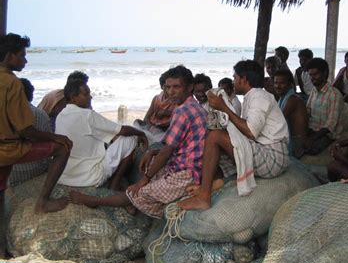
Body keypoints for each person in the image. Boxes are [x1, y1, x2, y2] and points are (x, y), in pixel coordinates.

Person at [70, 65, 208, 218]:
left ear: (189, 87)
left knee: (137, 192)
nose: (170, 91)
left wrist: (144, 179)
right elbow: (178, 145)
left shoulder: (183, 111)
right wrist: (154, 152)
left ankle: (94, 200)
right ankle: (138, 196)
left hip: (188, 173)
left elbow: (168, 149)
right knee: (151, 161)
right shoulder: (190, 106)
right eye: (168, 87)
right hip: (184, 162)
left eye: (176, 87)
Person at [178, 60, 289, 210]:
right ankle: (214, 182)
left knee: (215, 137)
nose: (233, 81)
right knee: (215, 133)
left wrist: (223, 107)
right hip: (263, 151)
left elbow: (250, 131)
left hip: (273, 158)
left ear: (244, 79)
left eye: (235, 78)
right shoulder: (252, 97)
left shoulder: (260, 96)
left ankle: (204, 197)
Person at [0, 34, 73, 258]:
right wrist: (55, 138)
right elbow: (25, 129)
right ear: (9, 55)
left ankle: (2, 252)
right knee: (63, 148)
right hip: (8, 149)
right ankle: (43, 202)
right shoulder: (11, 83)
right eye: (22, 55)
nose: (25, 60)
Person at [56, 80, 148, 190]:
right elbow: (122, 130)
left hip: (65, 176)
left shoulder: (61, 115)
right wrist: (141, 133)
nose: (90, 97)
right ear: (73, 97)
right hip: (90, 177)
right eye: (86, 94)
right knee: (131, 138)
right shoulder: (87, 115)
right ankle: (115, 184)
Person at [9, 78, 52, 187]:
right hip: (33, 169)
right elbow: (49, 142)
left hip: (8, 170)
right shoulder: (40, 114)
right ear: (31, 96)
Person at [305, 58, 344, 155]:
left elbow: (330, 125)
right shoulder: (313, 91)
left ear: (324, 73)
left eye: (316, 74)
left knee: (311, 150)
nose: (313, 78)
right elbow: (308, 112)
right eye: (310, 75)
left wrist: (312, 138)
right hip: (312, 130)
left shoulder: (334, 94)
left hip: (327, 135)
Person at [273, 69, 308, 158]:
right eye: (276, 83)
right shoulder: (283, 97)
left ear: (290, 84)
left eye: (282, 83)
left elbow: (278, 120)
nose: (278, 86)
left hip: (297, 143)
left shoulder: (292, 99)